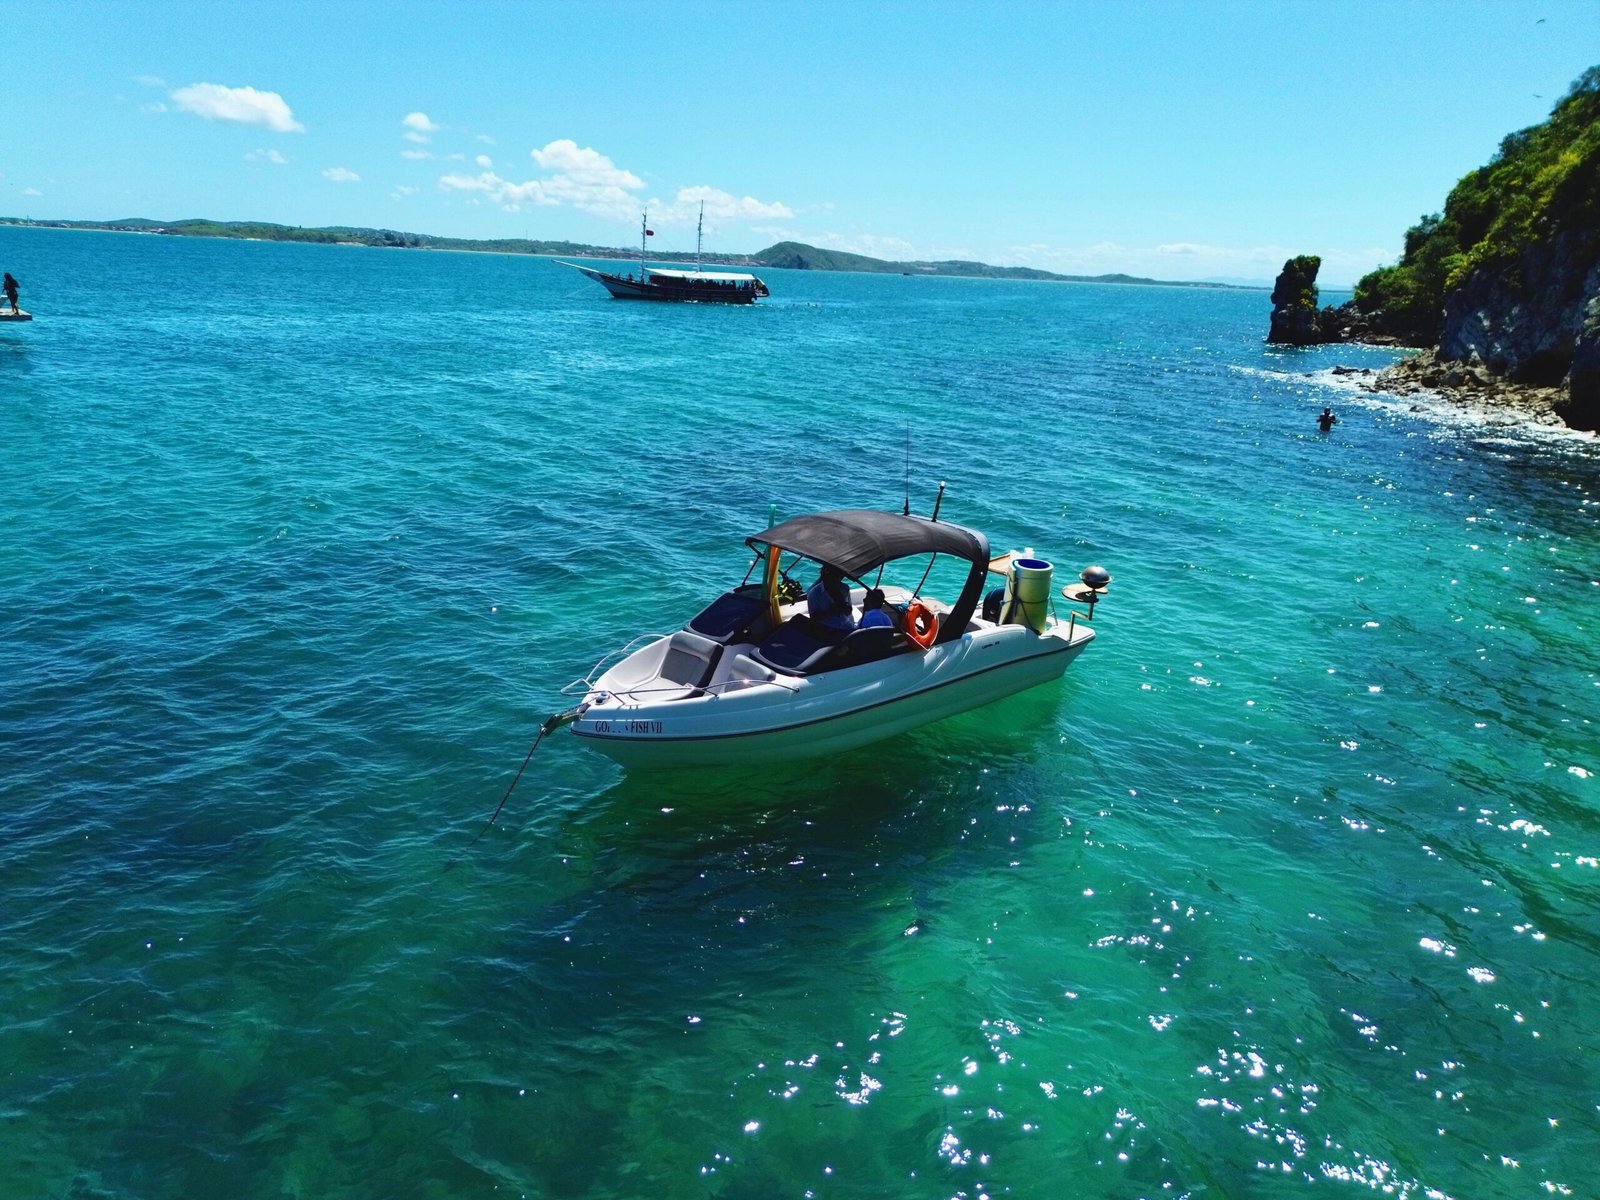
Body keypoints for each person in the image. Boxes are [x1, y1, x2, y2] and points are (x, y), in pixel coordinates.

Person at [806, 563, 856, 634]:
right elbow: (813, 618)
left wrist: (845, 608)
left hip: (847, 626)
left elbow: (849, 611)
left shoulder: (845, 588)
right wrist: (830, 612)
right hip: (828, 630)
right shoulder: (814, 593)